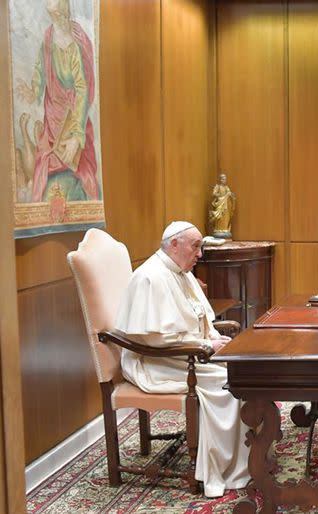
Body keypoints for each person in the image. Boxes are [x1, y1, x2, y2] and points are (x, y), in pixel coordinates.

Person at [114, 221, 249, 497]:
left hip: (186, 354)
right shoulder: (150, 277)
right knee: (228, 382)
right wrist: (205, 344)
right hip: (156, 362)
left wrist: (212, 338)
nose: (200, 254)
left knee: (244, 371)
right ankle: (222, 469)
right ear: (174, 244)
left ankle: (247, 460)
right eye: (195, 246)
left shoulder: (181, 271)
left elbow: (199, 317)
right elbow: (152, 339)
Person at [15, 0, 100, 203]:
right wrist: (32, 90)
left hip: (73, 117)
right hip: (52, 116)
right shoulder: (48, 38)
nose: (48, 3)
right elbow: (39, 70)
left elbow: (82, 88)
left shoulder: (74, 43)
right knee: (44, 166)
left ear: (62, 9)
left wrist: (77, 136)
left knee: (80, 170)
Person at [209, 174, 236, 239]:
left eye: (225, 179)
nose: (224, 180)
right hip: (220, 203)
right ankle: (219, 230)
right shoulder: (218, 187)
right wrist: (221, 195)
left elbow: (230, 194)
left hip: (226, 205)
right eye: (223, 179)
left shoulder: (227, 187)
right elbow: (214, 194)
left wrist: (232, 195)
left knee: (226, 217)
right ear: (220, 180)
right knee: (220, 217)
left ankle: (225, 229)